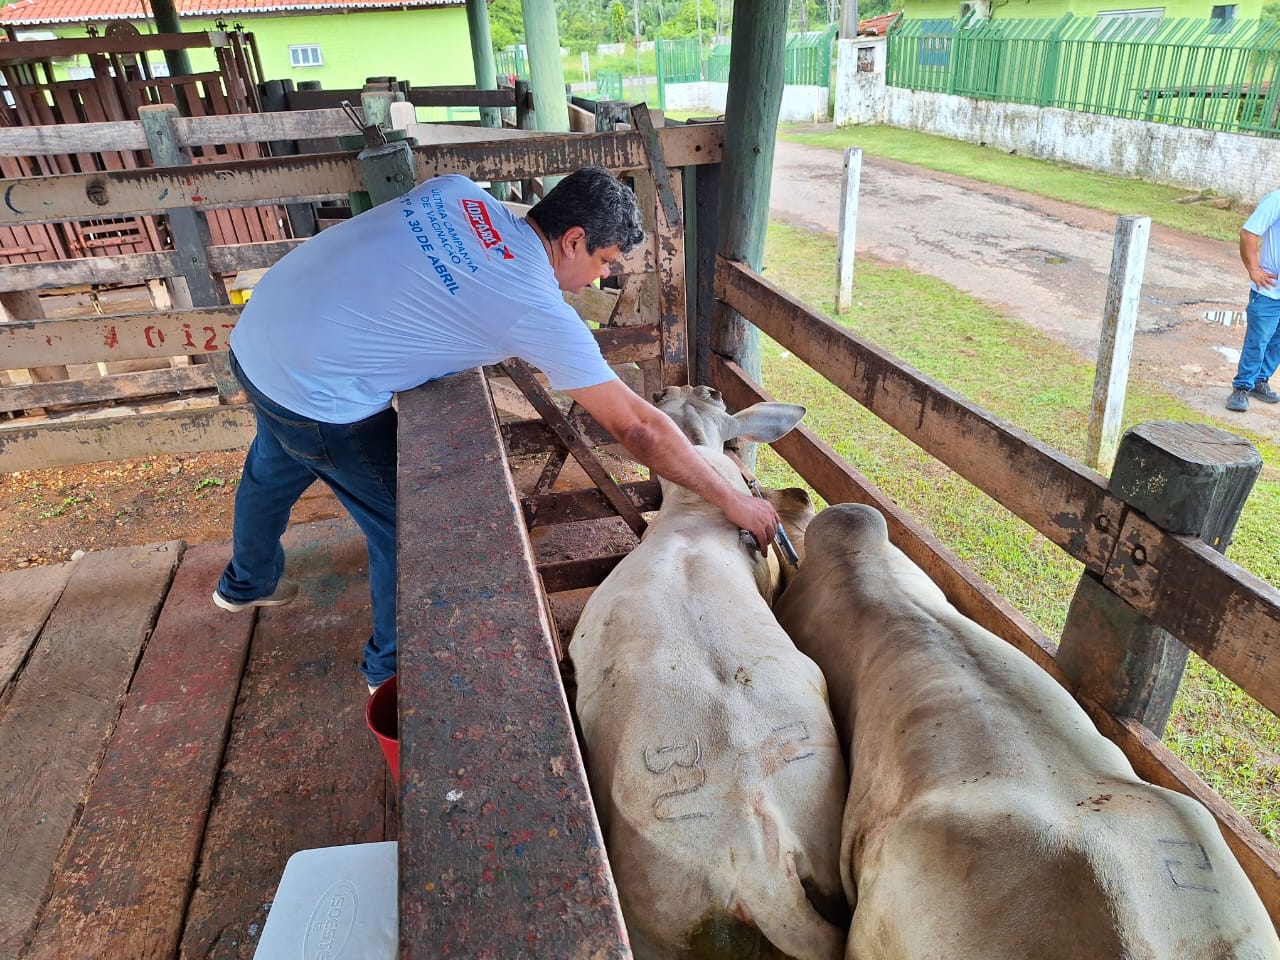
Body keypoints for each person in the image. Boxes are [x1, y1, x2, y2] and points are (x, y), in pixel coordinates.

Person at [211, 166, 781, 693]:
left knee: (272, 464)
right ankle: (388, 672)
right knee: (406, 528)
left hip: (258, 342)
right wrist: (734, 500)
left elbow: (478, 247)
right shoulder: (532, 303)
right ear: (574, 239)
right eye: (605, 260)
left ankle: (245, 584)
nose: (603, 275)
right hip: (320, 394)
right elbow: (637, 427)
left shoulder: (456, 192)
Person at [1227, 189, 1280, 412]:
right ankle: (1242, 387)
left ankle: (1260, 380)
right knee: (1258, 341)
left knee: (1277, 342)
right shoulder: (1276, 200)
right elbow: (1249, 232)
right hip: (1269, 291)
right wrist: (1254, 269)